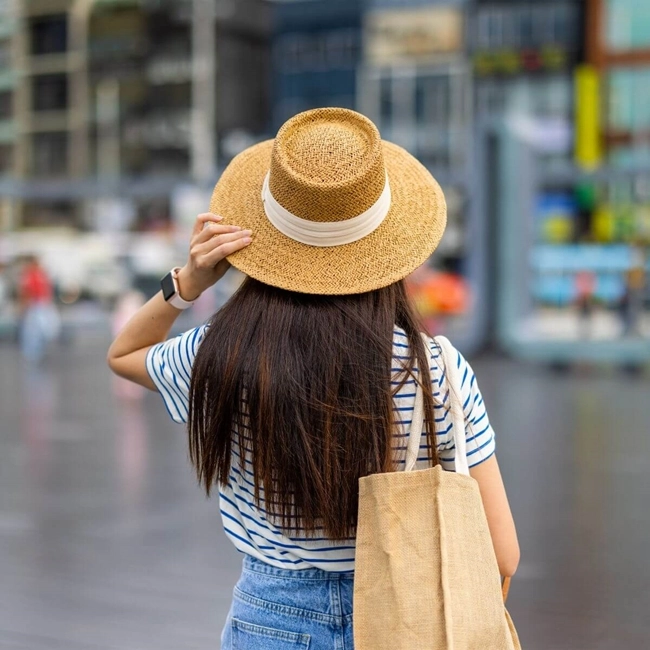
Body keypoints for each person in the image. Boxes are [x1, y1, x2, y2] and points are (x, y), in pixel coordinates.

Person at [108, 108, 519, 649]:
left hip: (267, 622)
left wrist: (187, 282)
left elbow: (126, 351)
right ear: (386, 247)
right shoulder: (433, 368)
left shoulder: (219, 355)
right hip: (407, 618)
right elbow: (503, 553)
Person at [18, 255, 60, 364]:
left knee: (48, 330)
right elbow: (25, 292)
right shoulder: (28, 275)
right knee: (33, 333)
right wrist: (24, 306)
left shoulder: (41, 274)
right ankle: (32, 355)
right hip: (34, 305)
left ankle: (38, 353)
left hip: (43, 304)